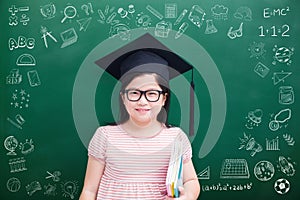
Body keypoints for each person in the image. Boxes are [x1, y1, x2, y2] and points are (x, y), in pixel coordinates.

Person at [80, 37, 200, 200]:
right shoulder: (105, 136)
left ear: (164, 98)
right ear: (123, 97)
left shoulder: (175, 138)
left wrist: (189, 196)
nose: (143, 101)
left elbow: (191, 180)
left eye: (151, 93)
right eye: (134, 93)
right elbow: (89, 191)